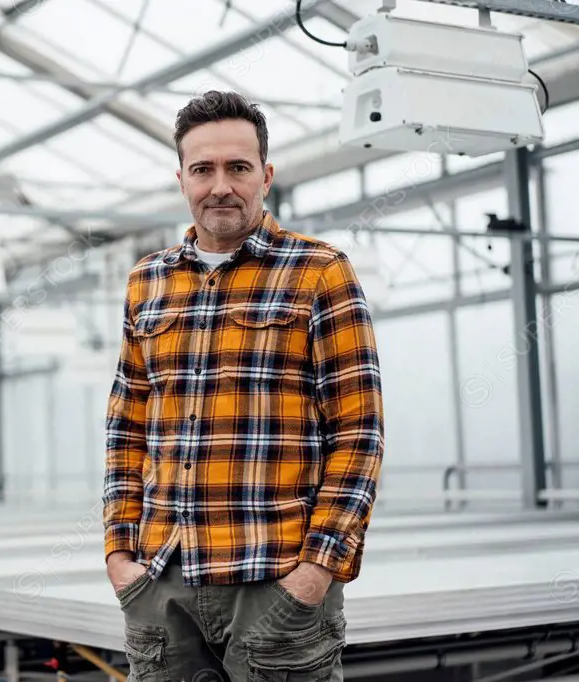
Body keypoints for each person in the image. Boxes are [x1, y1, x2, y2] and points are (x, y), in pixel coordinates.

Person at [101, 90, 385, 681]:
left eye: (238, 167)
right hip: (162, 580)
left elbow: (359, 433)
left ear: (266, 174)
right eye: (203, 169)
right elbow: (126, 425)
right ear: (181, 178)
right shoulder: (146, 282)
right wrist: (119, 556)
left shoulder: (319, 272)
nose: (220, 185)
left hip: (275, 580)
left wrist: (315, 573)